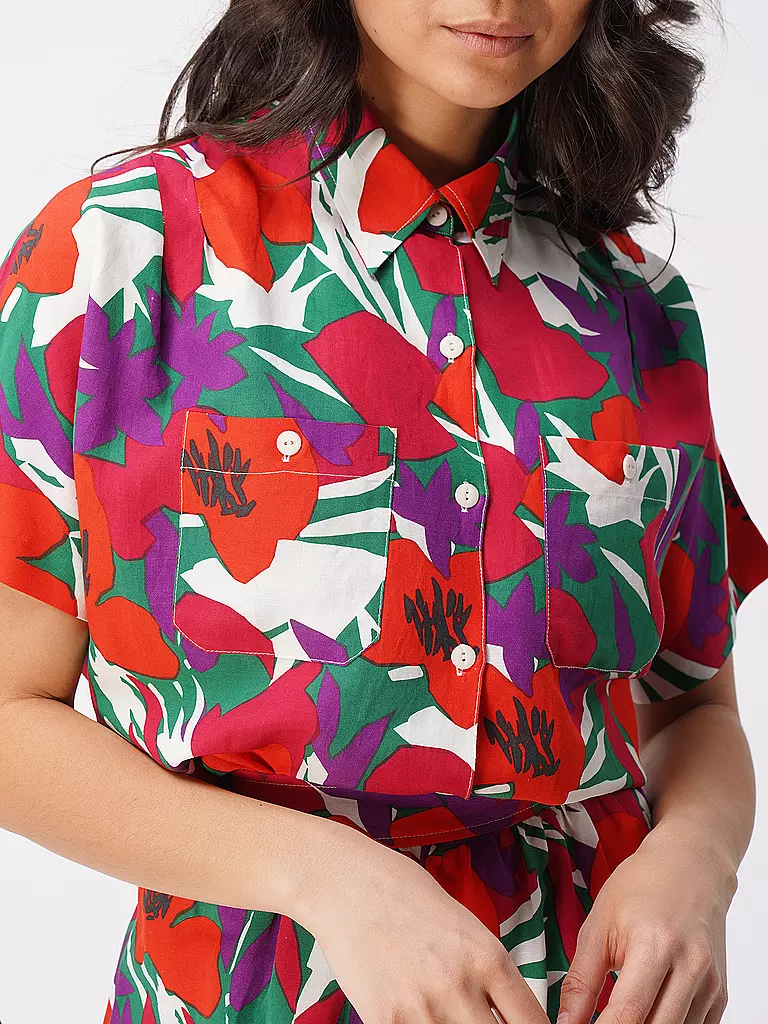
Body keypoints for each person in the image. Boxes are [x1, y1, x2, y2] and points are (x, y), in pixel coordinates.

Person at [1, 0, 766, 1022]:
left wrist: (696, 863)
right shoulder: (121, 255)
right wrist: (326, 879)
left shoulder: (634, 303)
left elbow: (694, 709)